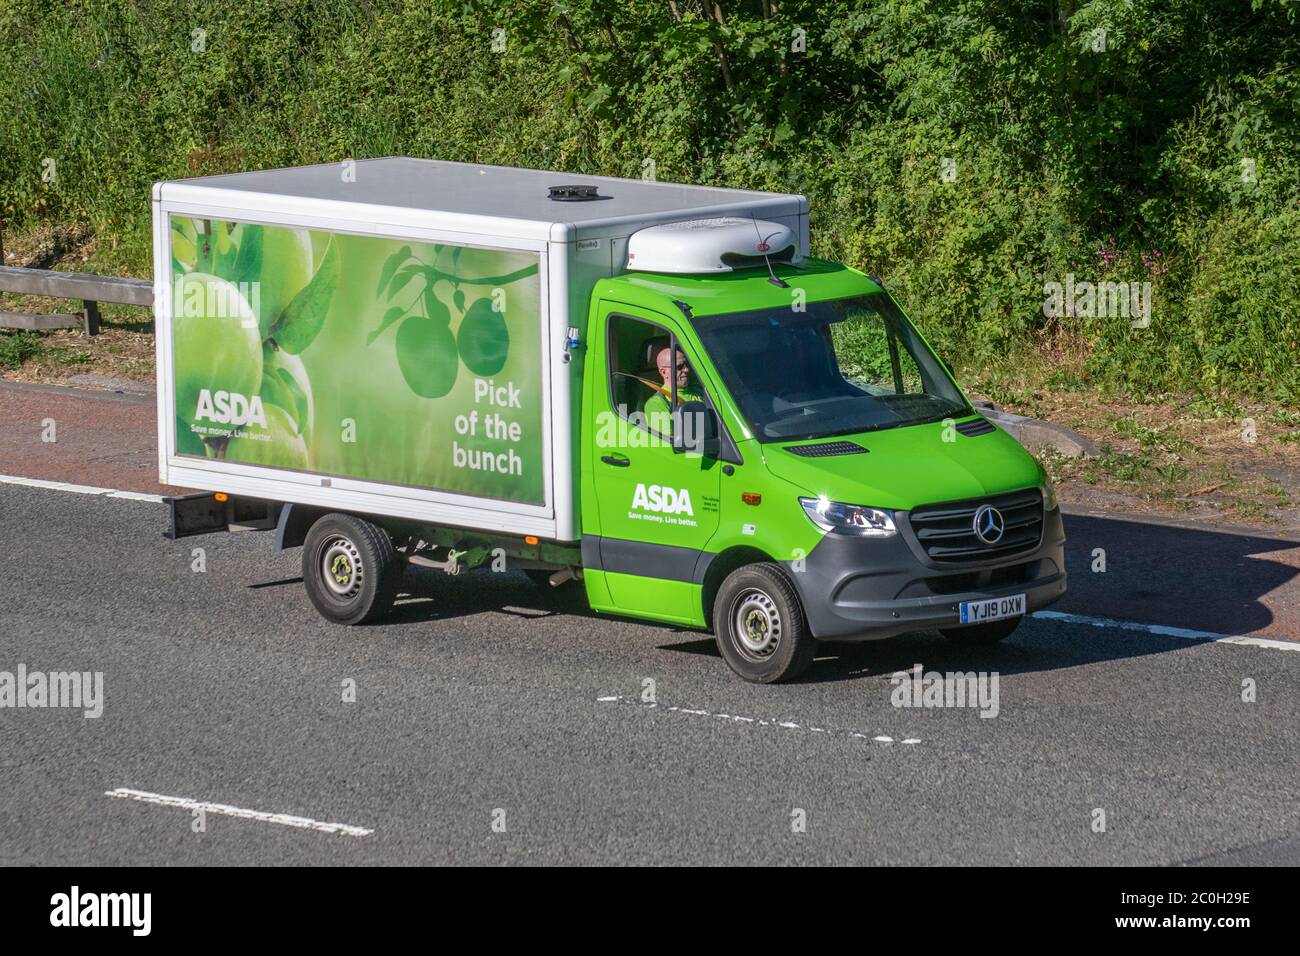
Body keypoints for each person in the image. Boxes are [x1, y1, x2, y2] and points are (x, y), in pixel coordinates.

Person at [642, 346, 703, 436]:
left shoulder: (699, 388)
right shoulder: (656, 403)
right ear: (663, 372)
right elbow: (668, 443)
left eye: (687, 364)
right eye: (680, 367)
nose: (686, 369)